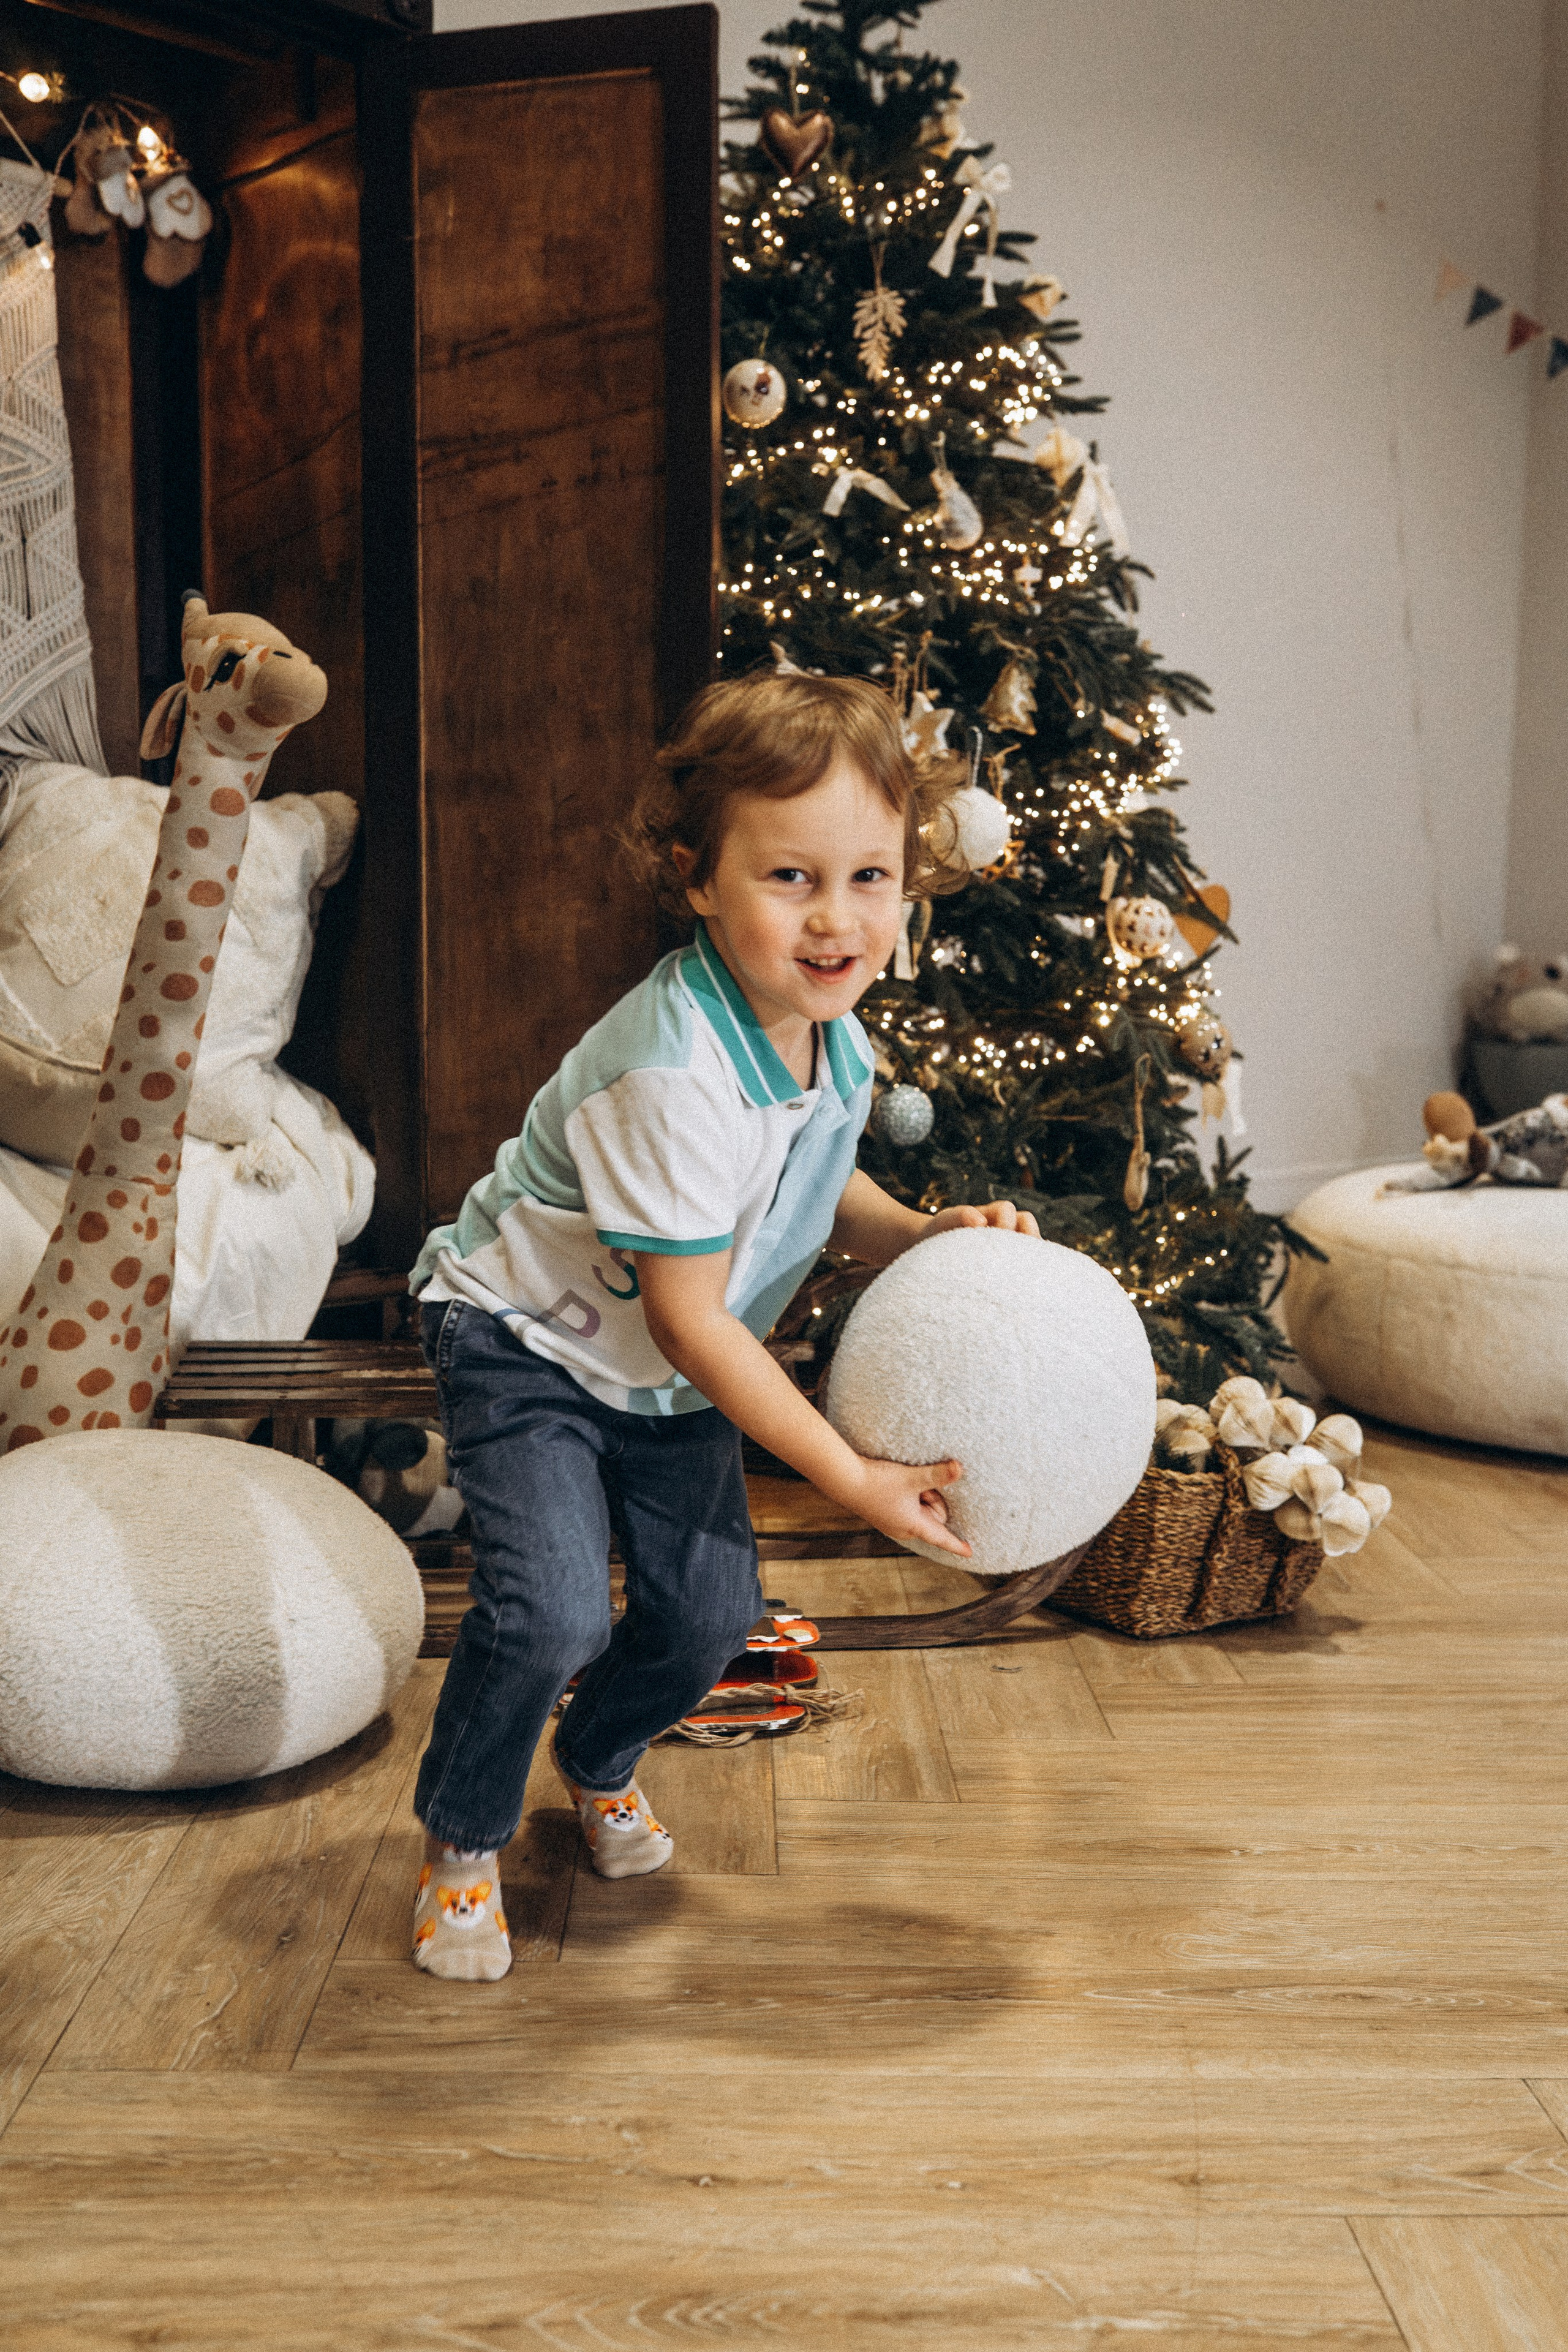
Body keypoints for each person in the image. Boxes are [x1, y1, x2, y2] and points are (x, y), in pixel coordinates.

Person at [407, 671, 1041, 1979]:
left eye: (868, 877)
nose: (835, 920)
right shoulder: (671, 1072)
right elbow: (698, 1325)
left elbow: (811, 1178)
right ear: (697, 881)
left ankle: (593, 1759)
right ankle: (462, 1839)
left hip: (657, 1366)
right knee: (548, 1612)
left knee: (708, 1620)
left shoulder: (828, 1031)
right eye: (790, 879)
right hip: (531, 1342)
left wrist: (916, 1232)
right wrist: (853, 1478)